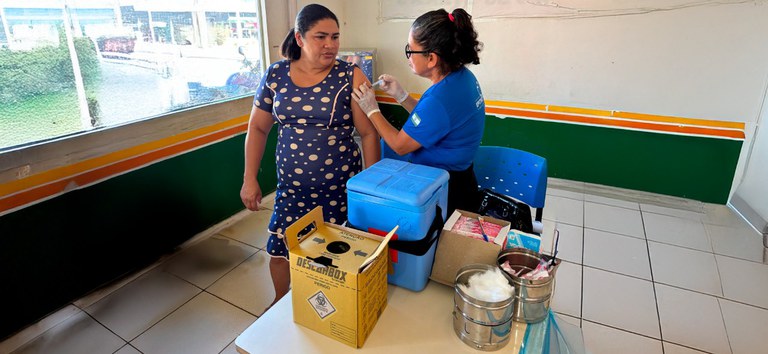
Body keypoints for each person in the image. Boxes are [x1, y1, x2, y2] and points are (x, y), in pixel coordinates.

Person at [240, 3, 380, 309]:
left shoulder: (350, 75)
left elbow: (369, 134)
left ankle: (330, 306)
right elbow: (258, 128)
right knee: (280, 251)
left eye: (335, 37)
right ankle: (280, 302)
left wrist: (371, 191)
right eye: (321, 37)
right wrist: (249, 178)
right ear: (300, 38)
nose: (330, 44)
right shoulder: (276, 74)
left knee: (334, 256)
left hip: (339, 190)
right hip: (291, 190)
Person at [352, 8, 484, 215]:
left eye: (410, 51)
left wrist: (372, 110)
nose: (408, 58)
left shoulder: (440, 98)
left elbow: (400, 145)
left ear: (431, 58)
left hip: (446, 189)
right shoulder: (462, 78)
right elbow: (433, 123)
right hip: (460, 179)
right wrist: (401, 96)